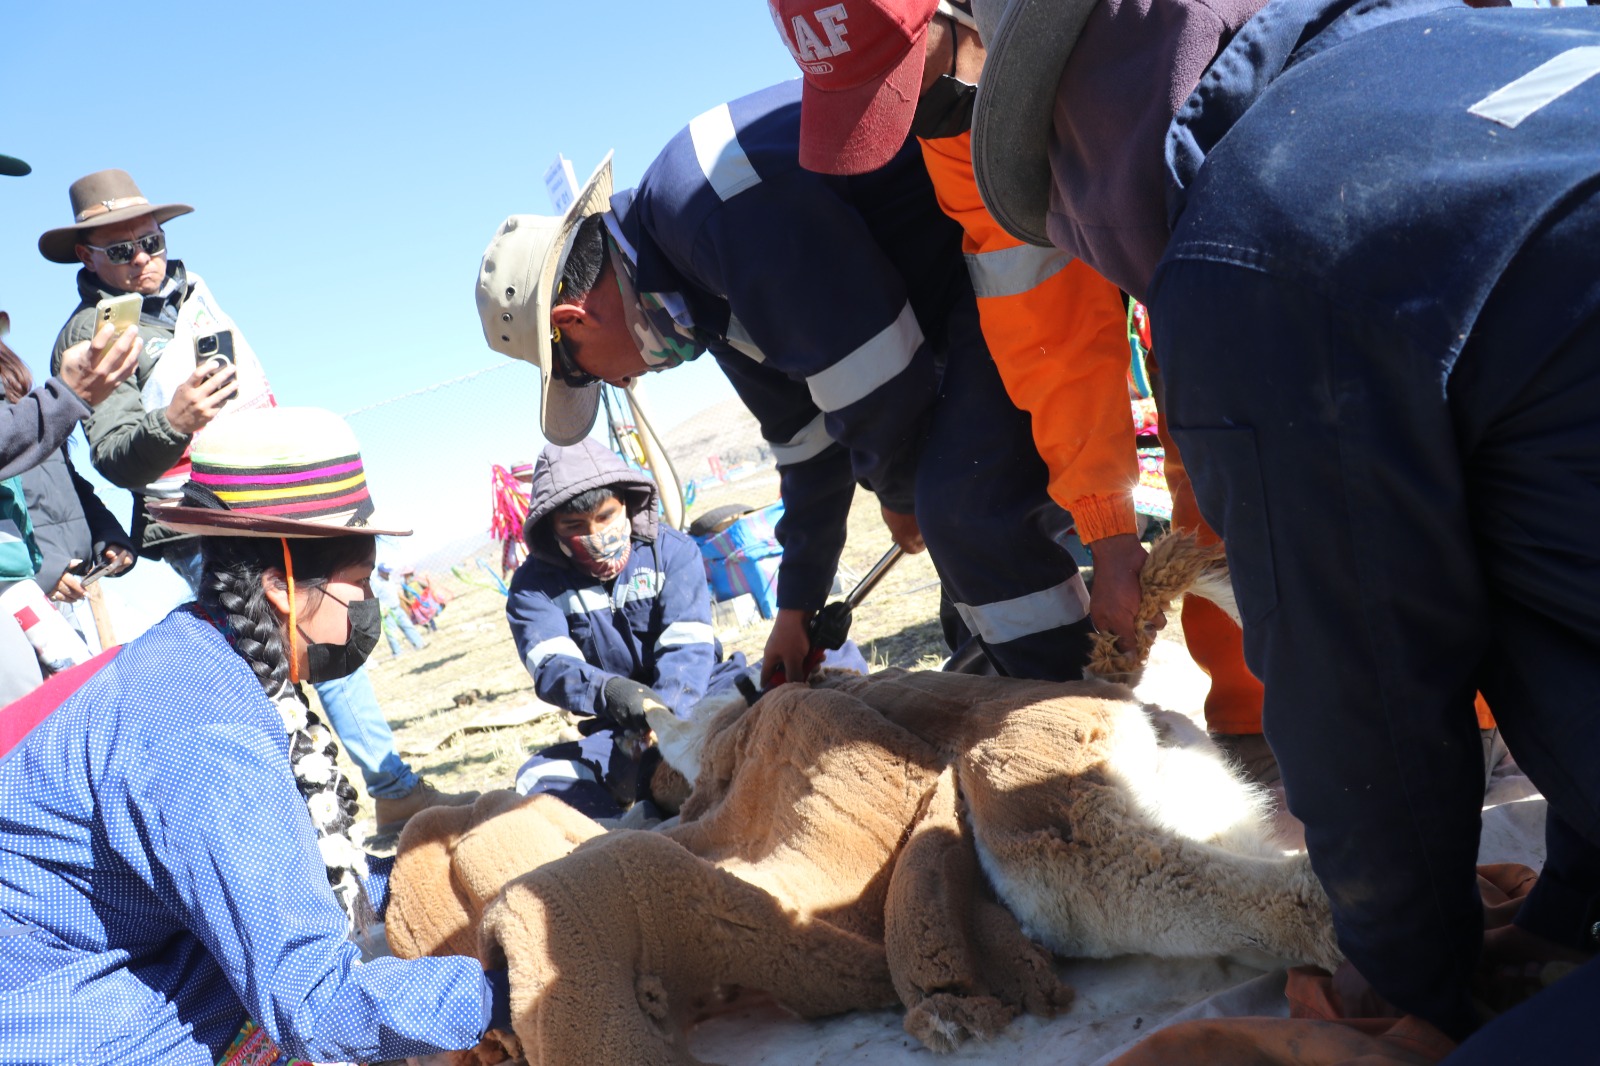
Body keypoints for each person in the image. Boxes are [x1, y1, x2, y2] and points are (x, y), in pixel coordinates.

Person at [969, 0, 1600, 1047]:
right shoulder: (1544, 37)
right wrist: (1565, 909)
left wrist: (1399, 989)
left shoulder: (1264, 242)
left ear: (1078, 120)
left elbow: (1364, 702)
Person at [770, 0, 1280, 777]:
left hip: (1275, 171)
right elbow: (1042, 315)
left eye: (912, 80)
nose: (914, 117)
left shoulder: (1146, 27)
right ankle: (1263, 726)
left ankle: (1478, 721)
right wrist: (1107, 531)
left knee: (1270, 444)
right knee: (1216, 467)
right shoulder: (952, 128)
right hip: (1183, 256)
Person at [478, 80, 1098, 687]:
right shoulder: (698, 295)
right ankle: (1024, 679)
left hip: (1010, 223)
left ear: (573, 320)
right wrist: (796, 612)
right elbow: (808, 448)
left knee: (964, 508)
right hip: (960, 286)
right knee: (952, 517)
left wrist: (902, 494)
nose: (622, 379)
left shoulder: (702, 211)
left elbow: (876, 379)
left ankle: (1072, 717)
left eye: (590, 374)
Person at [0, 407, 509, 1063]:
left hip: (125, 955)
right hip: (65, 1021)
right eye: (357, 587)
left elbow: (292, 873)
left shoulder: (209, 659)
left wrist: (424, 874)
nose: (367, 609)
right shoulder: (203, 732)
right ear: (282, 589)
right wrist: (511, 989)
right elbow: (320, 1008)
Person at [42, 168, 470, 830]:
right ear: (86, 256)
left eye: (151, 241)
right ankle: (312, 827)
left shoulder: (193, 297)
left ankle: (390, 790)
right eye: (122, 251)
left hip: (270, 495)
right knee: (266, 672)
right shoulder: (91, 337)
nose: (144, 261)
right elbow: (114, 454)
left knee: (326, 631)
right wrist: (174, 422)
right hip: (196, 520)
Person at [506, 439, 748, 817]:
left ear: (626, 505)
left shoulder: (673, 552)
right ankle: (632, 833)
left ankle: (658, 795)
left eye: (605, 516)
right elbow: (552, 666)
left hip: (704, 695)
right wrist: (612, 693)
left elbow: (688, 648)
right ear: (551, 529)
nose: (596, 534)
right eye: (574, 525)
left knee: (802, 681)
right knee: (539, 780)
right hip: (617, 727)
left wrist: (665, 718)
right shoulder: (531, 588)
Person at [375, 561, 427, 655]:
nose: (388, 573)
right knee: (391, 633)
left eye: (388, 572)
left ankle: (419, 644)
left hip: (397, 607)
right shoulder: (375, 583)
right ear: (380, 572)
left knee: (408, 626)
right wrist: (381, 608)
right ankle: (397, 653)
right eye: (386, 572)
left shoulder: (389, 578)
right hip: (387, 612)